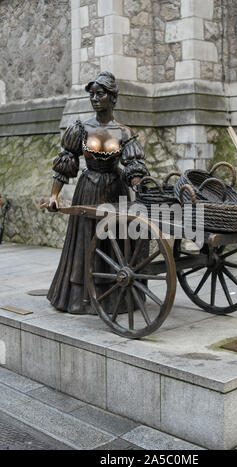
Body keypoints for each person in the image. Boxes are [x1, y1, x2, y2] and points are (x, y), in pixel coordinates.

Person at [44, 71, 149, 314]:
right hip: (88, 190)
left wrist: (139, 185)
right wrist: (54, 195)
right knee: (86, 240)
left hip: (115, 191)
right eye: (92, 94)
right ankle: (82, 296)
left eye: (100, 93)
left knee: (114, 241)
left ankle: (115, 296)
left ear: (113, 97)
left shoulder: (124, 132)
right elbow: (66, 163)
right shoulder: (81, 129)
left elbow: (134, 168)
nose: (94, 98)